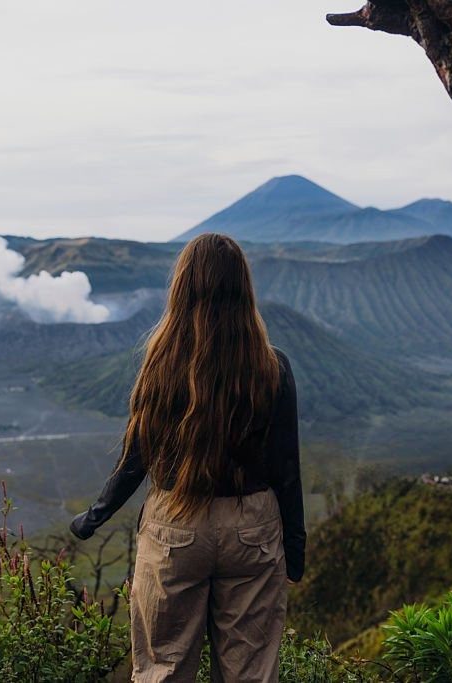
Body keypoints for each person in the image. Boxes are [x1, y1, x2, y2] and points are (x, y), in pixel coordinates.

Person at [70, 232, 305, 683]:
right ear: (244, 290)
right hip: (252, 529)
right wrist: (295, 550)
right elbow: (287, 468)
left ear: (182, 288)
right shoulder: (272, 367)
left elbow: (135, 457)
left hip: (176, 523)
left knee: (163, 670)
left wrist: (95, 515)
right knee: (250, 673)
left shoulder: (160, 363)